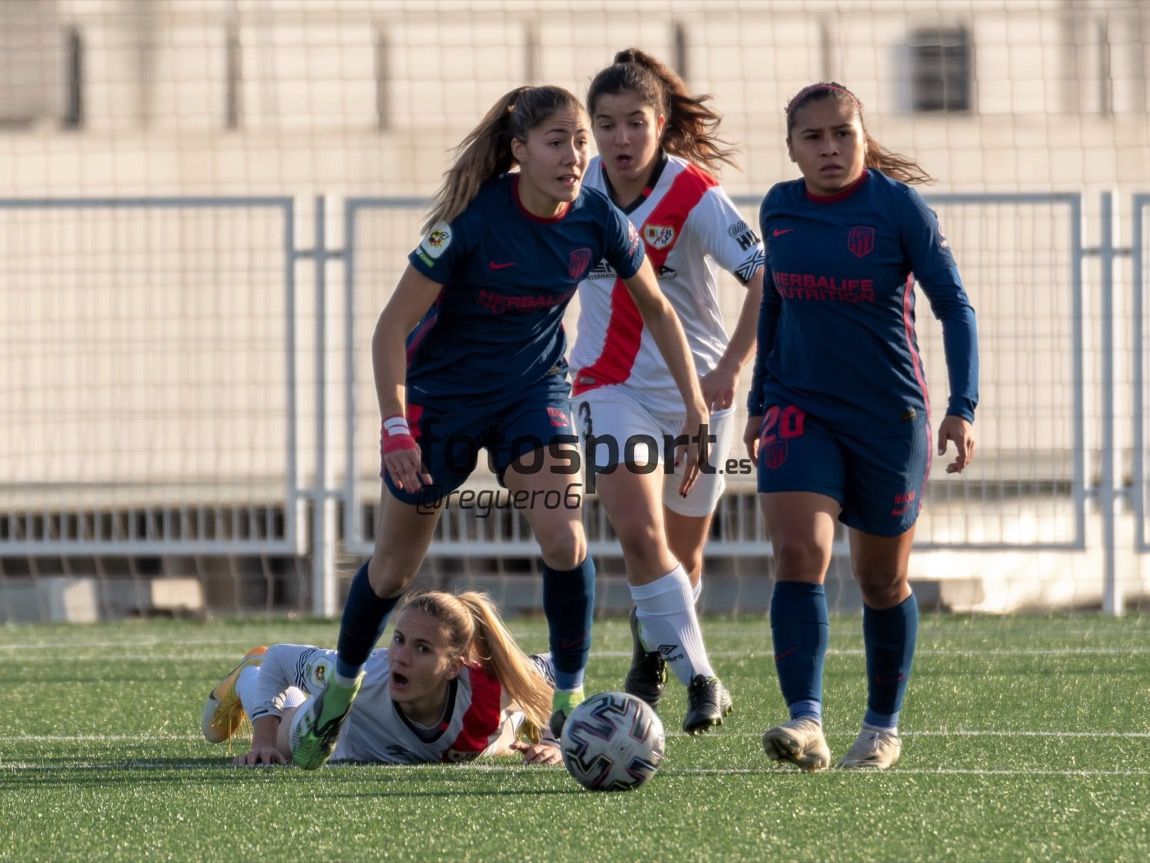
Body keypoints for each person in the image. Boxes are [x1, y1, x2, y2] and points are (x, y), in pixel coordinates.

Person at [291, 85, 710, 769]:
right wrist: (395, 426)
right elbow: (390, 327)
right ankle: (339, 689)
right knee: (393, 569)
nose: (575, 155)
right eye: (557, 141)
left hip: (530, 396)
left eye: (581, 141)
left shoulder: (598, 217)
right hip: (442, 401)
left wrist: (695, 406)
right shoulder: (473, 221)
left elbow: (659, 310)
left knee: (566, 540)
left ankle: (567, 704)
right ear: (520, 151)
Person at [745, 82, 978, 771]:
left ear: (863, 137)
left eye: (842, 133)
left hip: (889, 418)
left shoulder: (899, 208)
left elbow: (955, 307)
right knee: (798, 553)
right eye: (813, 137)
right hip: (799, 407)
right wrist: (759, 399)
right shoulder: (779, 208)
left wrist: (962, 406)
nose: (829, 148)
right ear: (792, 148)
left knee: (880, 581)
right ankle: (806, 719)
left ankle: (881, 727)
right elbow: (774, 306)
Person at [570, 49, 765, 734]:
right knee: (639, 530)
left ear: (660, 123)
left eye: (635, 122)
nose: (620, 138)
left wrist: (730, 367)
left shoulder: (695, 193)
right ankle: (704, 680)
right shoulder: (576, 187)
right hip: (606, 386)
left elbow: (764, 276)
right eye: (605, 125)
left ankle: (652, 646)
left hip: (698, 394)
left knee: (682, 556)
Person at [201, 591, 562, 766]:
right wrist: (262, 742)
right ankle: (248, 676)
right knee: (288, 743)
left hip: (466, 742)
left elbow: (557, 669)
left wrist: (554, 741)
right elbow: (281, 658)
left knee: (498, 738)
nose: (400, 657)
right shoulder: (365, 675)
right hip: (349, 739)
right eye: (399, 640)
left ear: (455, 666)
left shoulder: (489, 688)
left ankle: (527, 722)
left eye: (422, 649)